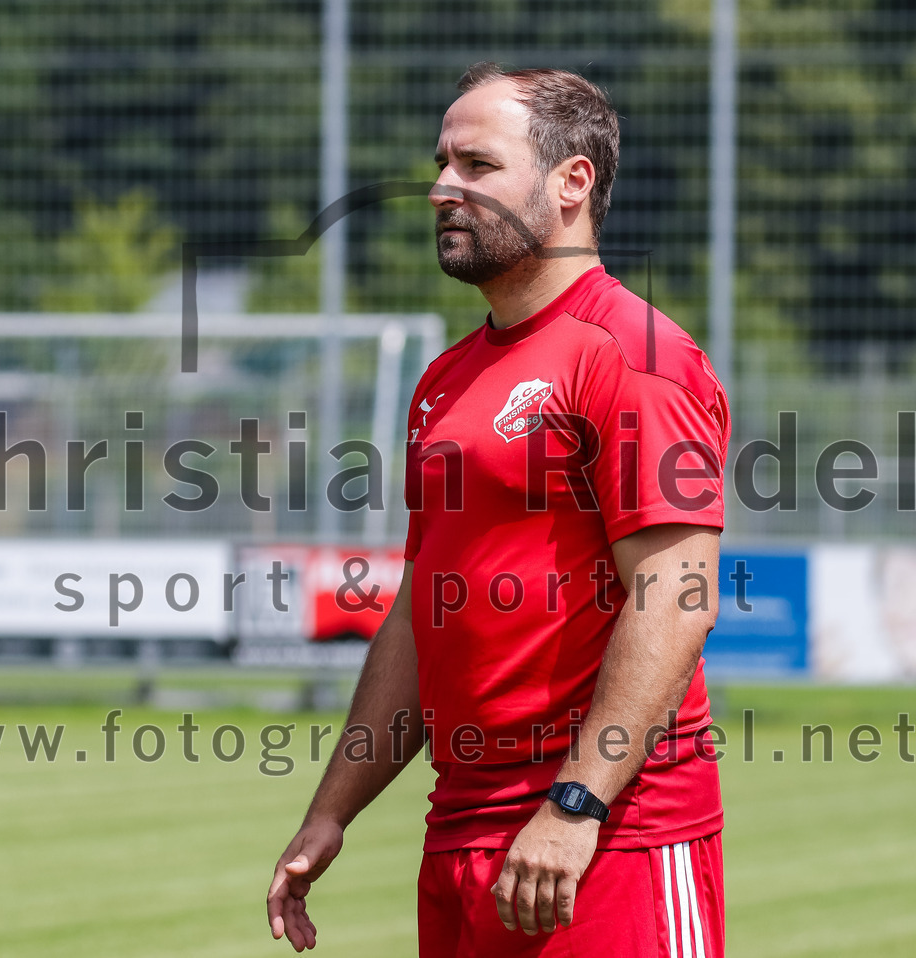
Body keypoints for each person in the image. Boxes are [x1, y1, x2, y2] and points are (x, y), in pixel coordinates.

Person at [268, 62, 730, 958]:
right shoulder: (446, 380)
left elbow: (675, 596)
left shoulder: (633, 354)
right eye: (441, 163)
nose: (441, 187)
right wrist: (331, 813)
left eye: (476, 166)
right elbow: (419, 611)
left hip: (607, 841)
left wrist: (577, 803)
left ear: (572, 182)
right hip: (463, 834)